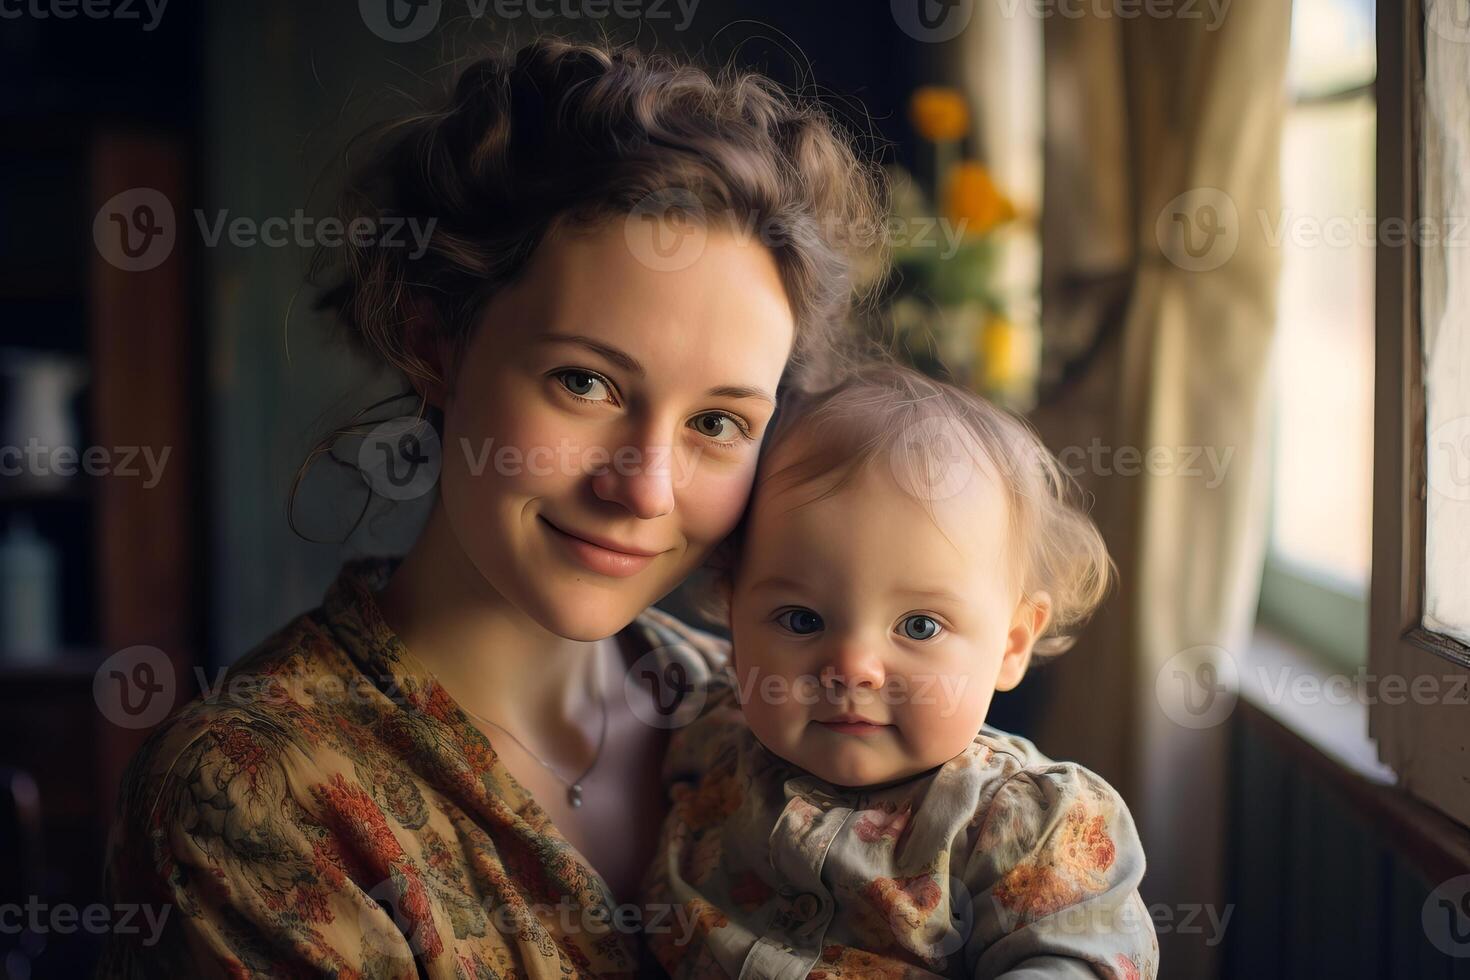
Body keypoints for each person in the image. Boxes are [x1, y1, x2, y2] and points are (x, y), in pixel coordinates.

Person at [97, 36, 887, 977]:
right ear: (438, 343)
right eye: (585, 383)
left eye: (717, 422)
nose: (643, 486)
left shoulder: (786, 715)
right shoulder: (253, 792)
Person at [641, 362, 1160, 979]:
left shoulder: (1017, 824)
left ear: (1011, 644)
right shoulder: (710, 729)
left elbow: (1077, 959)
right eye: (802, 620)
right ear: (733, 613)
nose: (853, 668)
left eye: (920, 626)